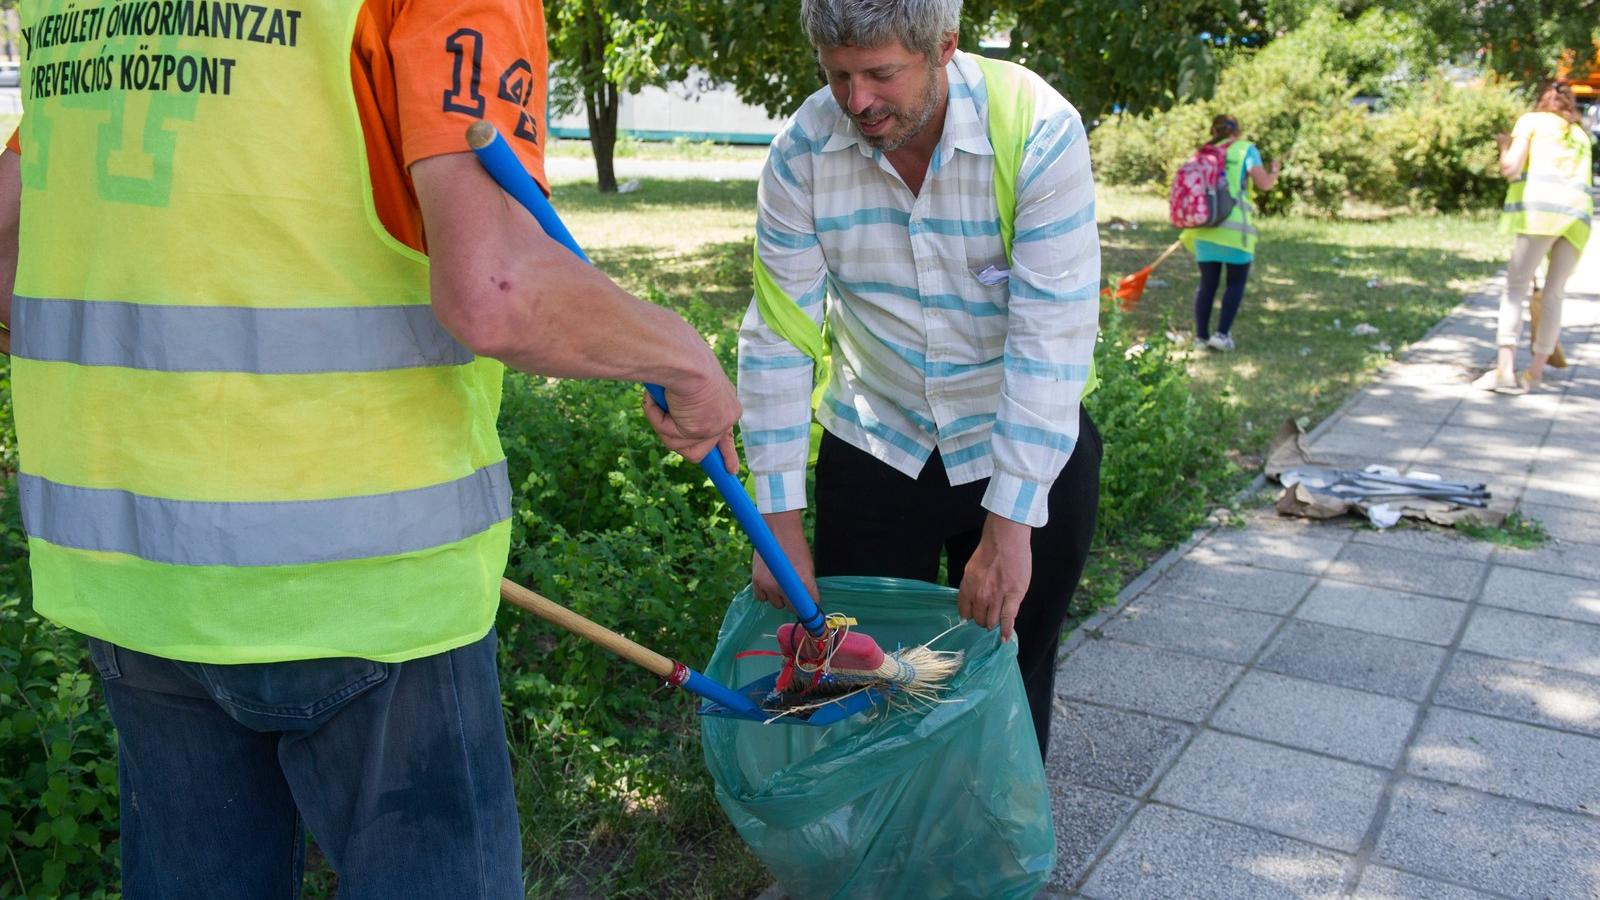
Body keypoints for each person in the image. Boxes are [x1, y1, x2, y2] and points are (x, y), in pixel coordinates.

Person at [0, 1, 739, 895]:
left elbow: (11, 246)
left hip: (135, 574)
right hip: (364, 586)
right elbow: (497, 287)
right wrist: (683, 356)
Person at [736, 0, 1102, 759]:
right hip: (877, 444)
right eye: (837, 75)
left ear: (944, 48)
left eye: (881, 73)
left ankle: (990, 852)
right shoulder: (802, 152)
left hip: (1020, 445)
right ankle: (883, 852)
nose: (857, 101)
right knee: (863, 687)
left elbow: (1051, 336)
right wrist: (777, 521)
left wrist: (1011, 525)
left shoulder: (1036, 126)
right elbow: (778, 337)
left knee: (1009, 670)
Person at [1478, 79, 1593, 393]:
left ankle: (1504, 371)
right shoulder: (1580, 136)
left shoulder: (1531, 122)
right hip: (1577, 219)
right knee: (1554, 293)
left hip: (1539, 215)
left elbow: (1510, 168)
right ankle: (1535, 374)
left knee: (1515, 289)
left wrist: (1504, 145)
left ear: (1542, 101)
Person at [1179, 114, 1281, 351]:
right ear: (1237, 132)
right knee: (1235, 283)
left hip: (1204, 228)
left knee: (1207, 284)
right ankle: (1222, 335)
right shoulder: (1245, 149)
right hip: (1236, 231)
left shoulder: (1202, 152)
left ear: (1213, 131)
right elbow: (1264, 183)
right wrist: (1274, 172)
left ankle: (1201, 338)